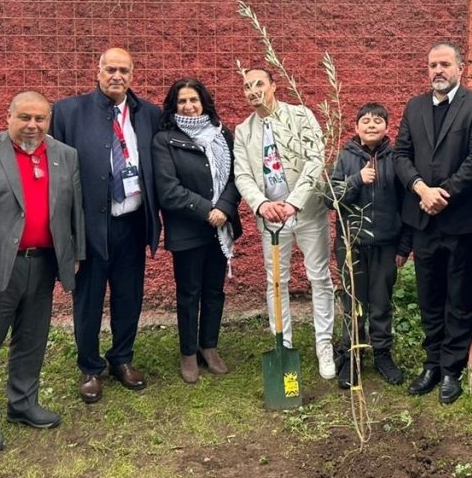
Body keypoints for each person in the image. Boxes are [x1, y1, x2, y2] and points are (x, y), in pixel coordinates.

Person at [0, 91, 85, 452]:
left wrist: (75, 252)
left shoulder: (64, 155)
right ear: (9, 117)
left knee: (32, 337)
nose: (32, 125)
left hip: (42, 263)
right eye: (24, 117)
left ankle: (22, 403)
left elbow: (75, 210)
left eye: (40, 119)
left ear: (49, 121)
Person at [51, 47, 162, 403]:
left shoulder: (148, 114)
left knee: (129, 296)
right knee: (89, 299)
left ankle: (122, 358)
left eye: (124, 70)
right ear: (97, 71)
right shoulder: (68, 112)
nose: (117, 76)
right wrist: (66, 231)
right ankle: (89, 367)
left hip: (132, 221)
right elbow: (59, 177)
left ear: (133, 75)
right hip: (90, 225)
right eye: (110, 69)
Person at [393, 41, 472, 404]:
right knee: (429, 296)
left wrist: (443, 194)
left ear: (459, 68)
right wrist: (421, 189)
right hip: (422, 221)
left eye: (445, 64)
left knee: (460, 297)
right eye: (432, 64)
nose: (438, 70)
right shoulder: (415, 106)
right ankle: (432, 362)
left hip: (461, 222)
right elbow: (401, 154)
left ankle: (453, 368)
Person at [233, 67, 336, 379]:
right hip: (271, 220)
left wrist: (294, 202)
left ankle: (324, 346)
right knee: (276, 282)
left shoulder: (301, 116)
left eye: (259, 84)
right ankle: (283, 345)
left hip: (307, 213)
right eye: (247, 86)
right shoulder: (243, 131)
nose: (253, 91)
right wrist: (263, 205)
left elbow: (315, 160)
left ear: (274, 86)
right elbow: (242, 175)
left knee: (319, 277)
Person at [152, 78, 242, 384]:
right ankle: (188, 352)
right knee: (189, 293)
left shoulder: (222, 135)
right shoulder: (165, 140)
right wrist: (208, 211)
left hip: (221, 228)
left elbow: (235, 178)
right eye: (182, 102)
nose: (188, 106)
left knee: (214, 291)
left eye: (194, 100)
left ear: (204, 102)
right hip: (189, 229)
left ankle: (209, 347)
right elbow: (168, 189)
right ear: (173, 106)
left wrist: (225, 209)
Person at [328, 102, 411, 389]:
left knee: (381, 301)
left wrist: (404, 246)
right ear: (356, 127)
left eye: (378, 120)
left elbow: (408, 204)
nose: (372, 124)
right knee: (353, 302)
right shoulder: (344, 158)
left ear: (387, 128)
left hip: (386, 245)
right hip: (351, 244)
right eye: (366, 120)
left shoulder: (397, 159)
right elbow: (330, 197)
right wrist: (356, 181)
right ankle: (352, 356)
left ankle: (383, 354)